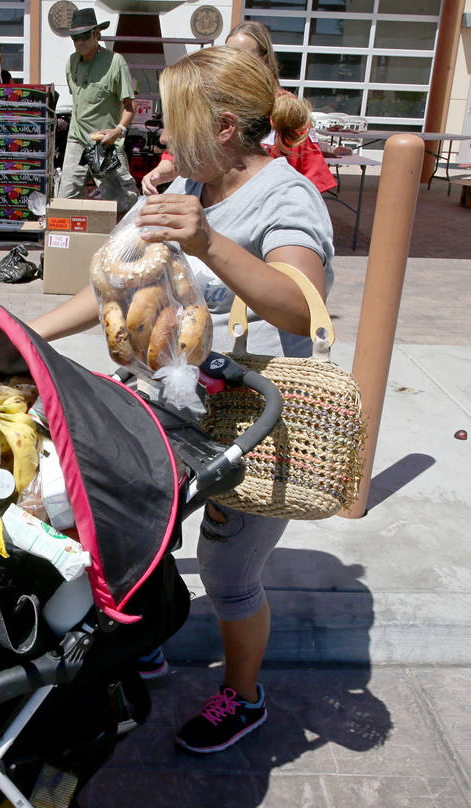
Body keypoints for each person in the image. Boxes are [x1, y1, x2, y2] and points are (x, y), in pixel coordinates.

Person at [29, 46, 334, 754]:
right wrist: (25, 333)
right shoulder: (189, 187)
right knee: (142, 524)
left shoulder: (288, 196)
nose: (159, 137)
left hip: (259, 424)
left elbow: (301, 307)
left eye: (172, 122)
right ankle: (151, 643)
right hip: (180, 406)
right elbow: (111, 280)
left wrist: (210, 241)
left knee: (228, 575)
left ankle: (244, 696)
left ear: (224, 126)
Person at [141, 21, 337, 196]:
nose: (233, 64)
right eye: (228, 55)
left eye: (242, 56)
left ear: (265, 60)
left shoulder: (287, 111)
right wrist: (161, 172)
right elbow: (190, 150)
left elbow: (310, 184)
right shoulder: (216, 102)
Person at [58, 8, 140, 212]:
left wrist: (118, 130)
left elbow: (131, 105)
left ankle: (126, 241)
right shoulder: (71, 62)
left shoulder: (115, 62)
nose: (80, 42)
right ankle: (66, 241)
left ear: (97, 34)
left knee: (119, 201)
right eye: (75, 37)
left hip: (104, 142)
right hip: (76, 139)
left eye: (85, 36)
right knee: (65, 197)